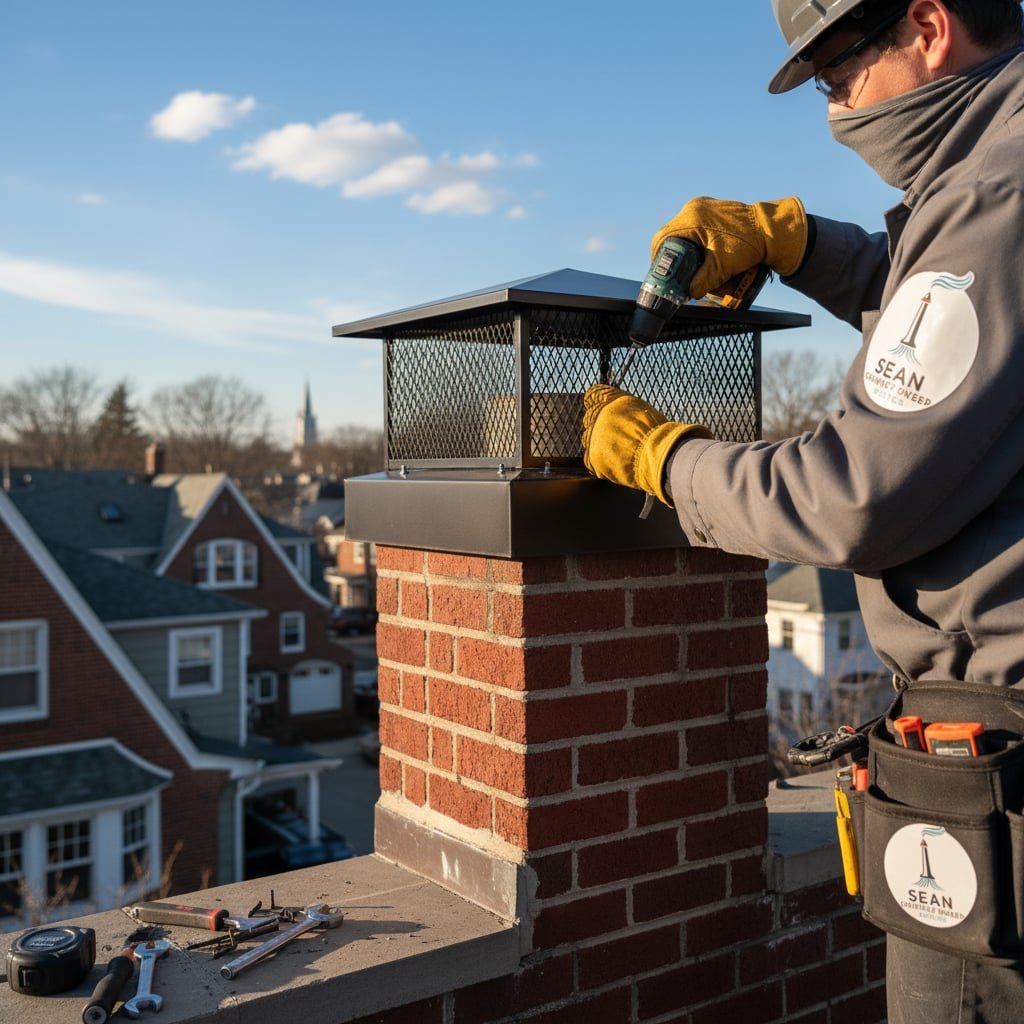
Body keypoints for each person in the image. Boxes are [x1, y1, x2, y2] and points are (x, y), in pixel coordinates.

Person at [582, 1, 1024, 1021]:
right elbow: (978, 338)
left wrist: (668, 461)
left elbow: (854, 498)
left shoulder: (996, 189)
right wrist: (800, 244)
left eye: (834, 74)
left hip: (1000, 755)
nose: (833, 111)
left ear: (925, 24)